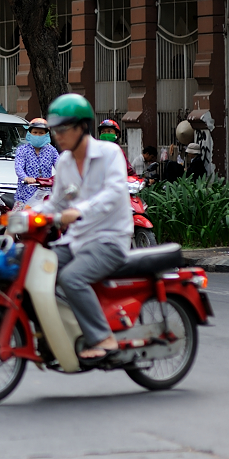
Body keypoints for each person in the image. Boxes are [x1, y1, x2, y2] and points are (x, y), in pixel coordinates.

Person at [37, 93, 132, 361]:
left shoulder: (109, 153)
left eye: (63, 128)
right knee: (37, 266)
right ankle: (59, 331)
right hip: (77, 240)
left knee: (72, 278)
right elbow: (55, 203)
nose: (57, 135)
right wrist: (25, 216)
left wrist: (79, 210)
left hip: (110, 239)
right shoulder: (65, 162)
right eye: (55, 129)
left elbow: (114, 193)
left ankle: (105, 339)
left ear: (82, 127)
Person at [12, 117, 59, 209]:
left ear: (47, 134)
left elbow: (61, 165)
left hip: (46, 195)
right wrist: (26, 178)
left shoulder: (51, 150)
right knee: (18, 221)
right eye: (35, 132)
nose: (38, 135)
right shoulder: (22, 150)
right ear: (30, 133)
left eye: (41, 133)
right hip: (25, 196)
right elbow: (19, 167)